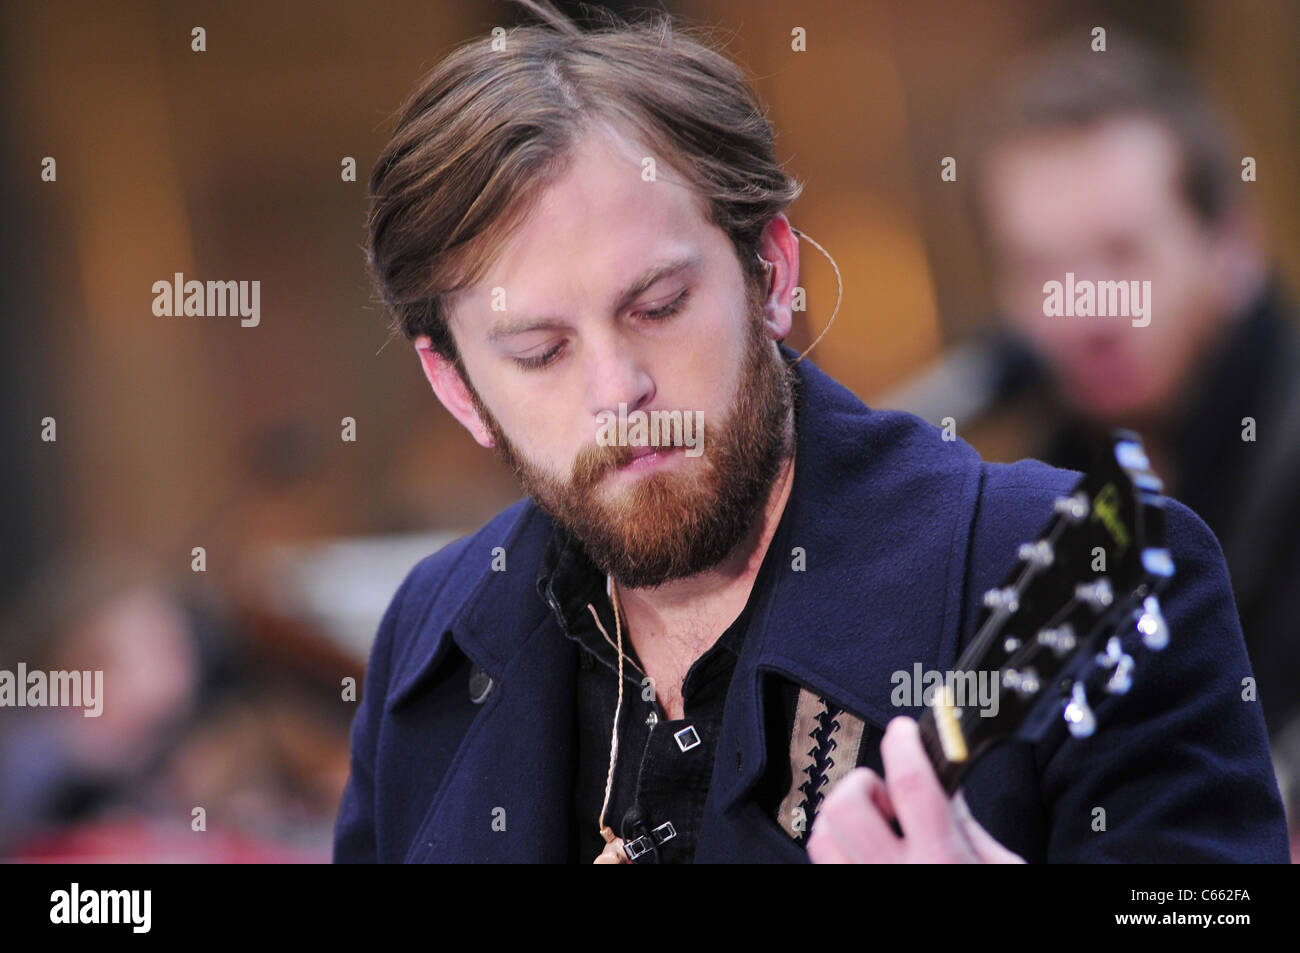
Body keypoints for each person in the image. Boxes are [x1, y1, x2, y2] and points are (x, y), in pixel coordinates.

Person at [333, 1, 1287, 863]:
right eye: (539, 351)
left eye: (659, 305)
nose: (617, 389)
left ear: (772, 272)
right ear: (456, 387)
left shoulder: (1080, 564)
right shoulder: (431, 636)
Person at [950, 35, 1300, 747]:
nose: (1084, 310)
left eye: (1123, 252)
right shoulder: (1041, 504)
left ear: (1232, 242)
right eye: (1041, 268)